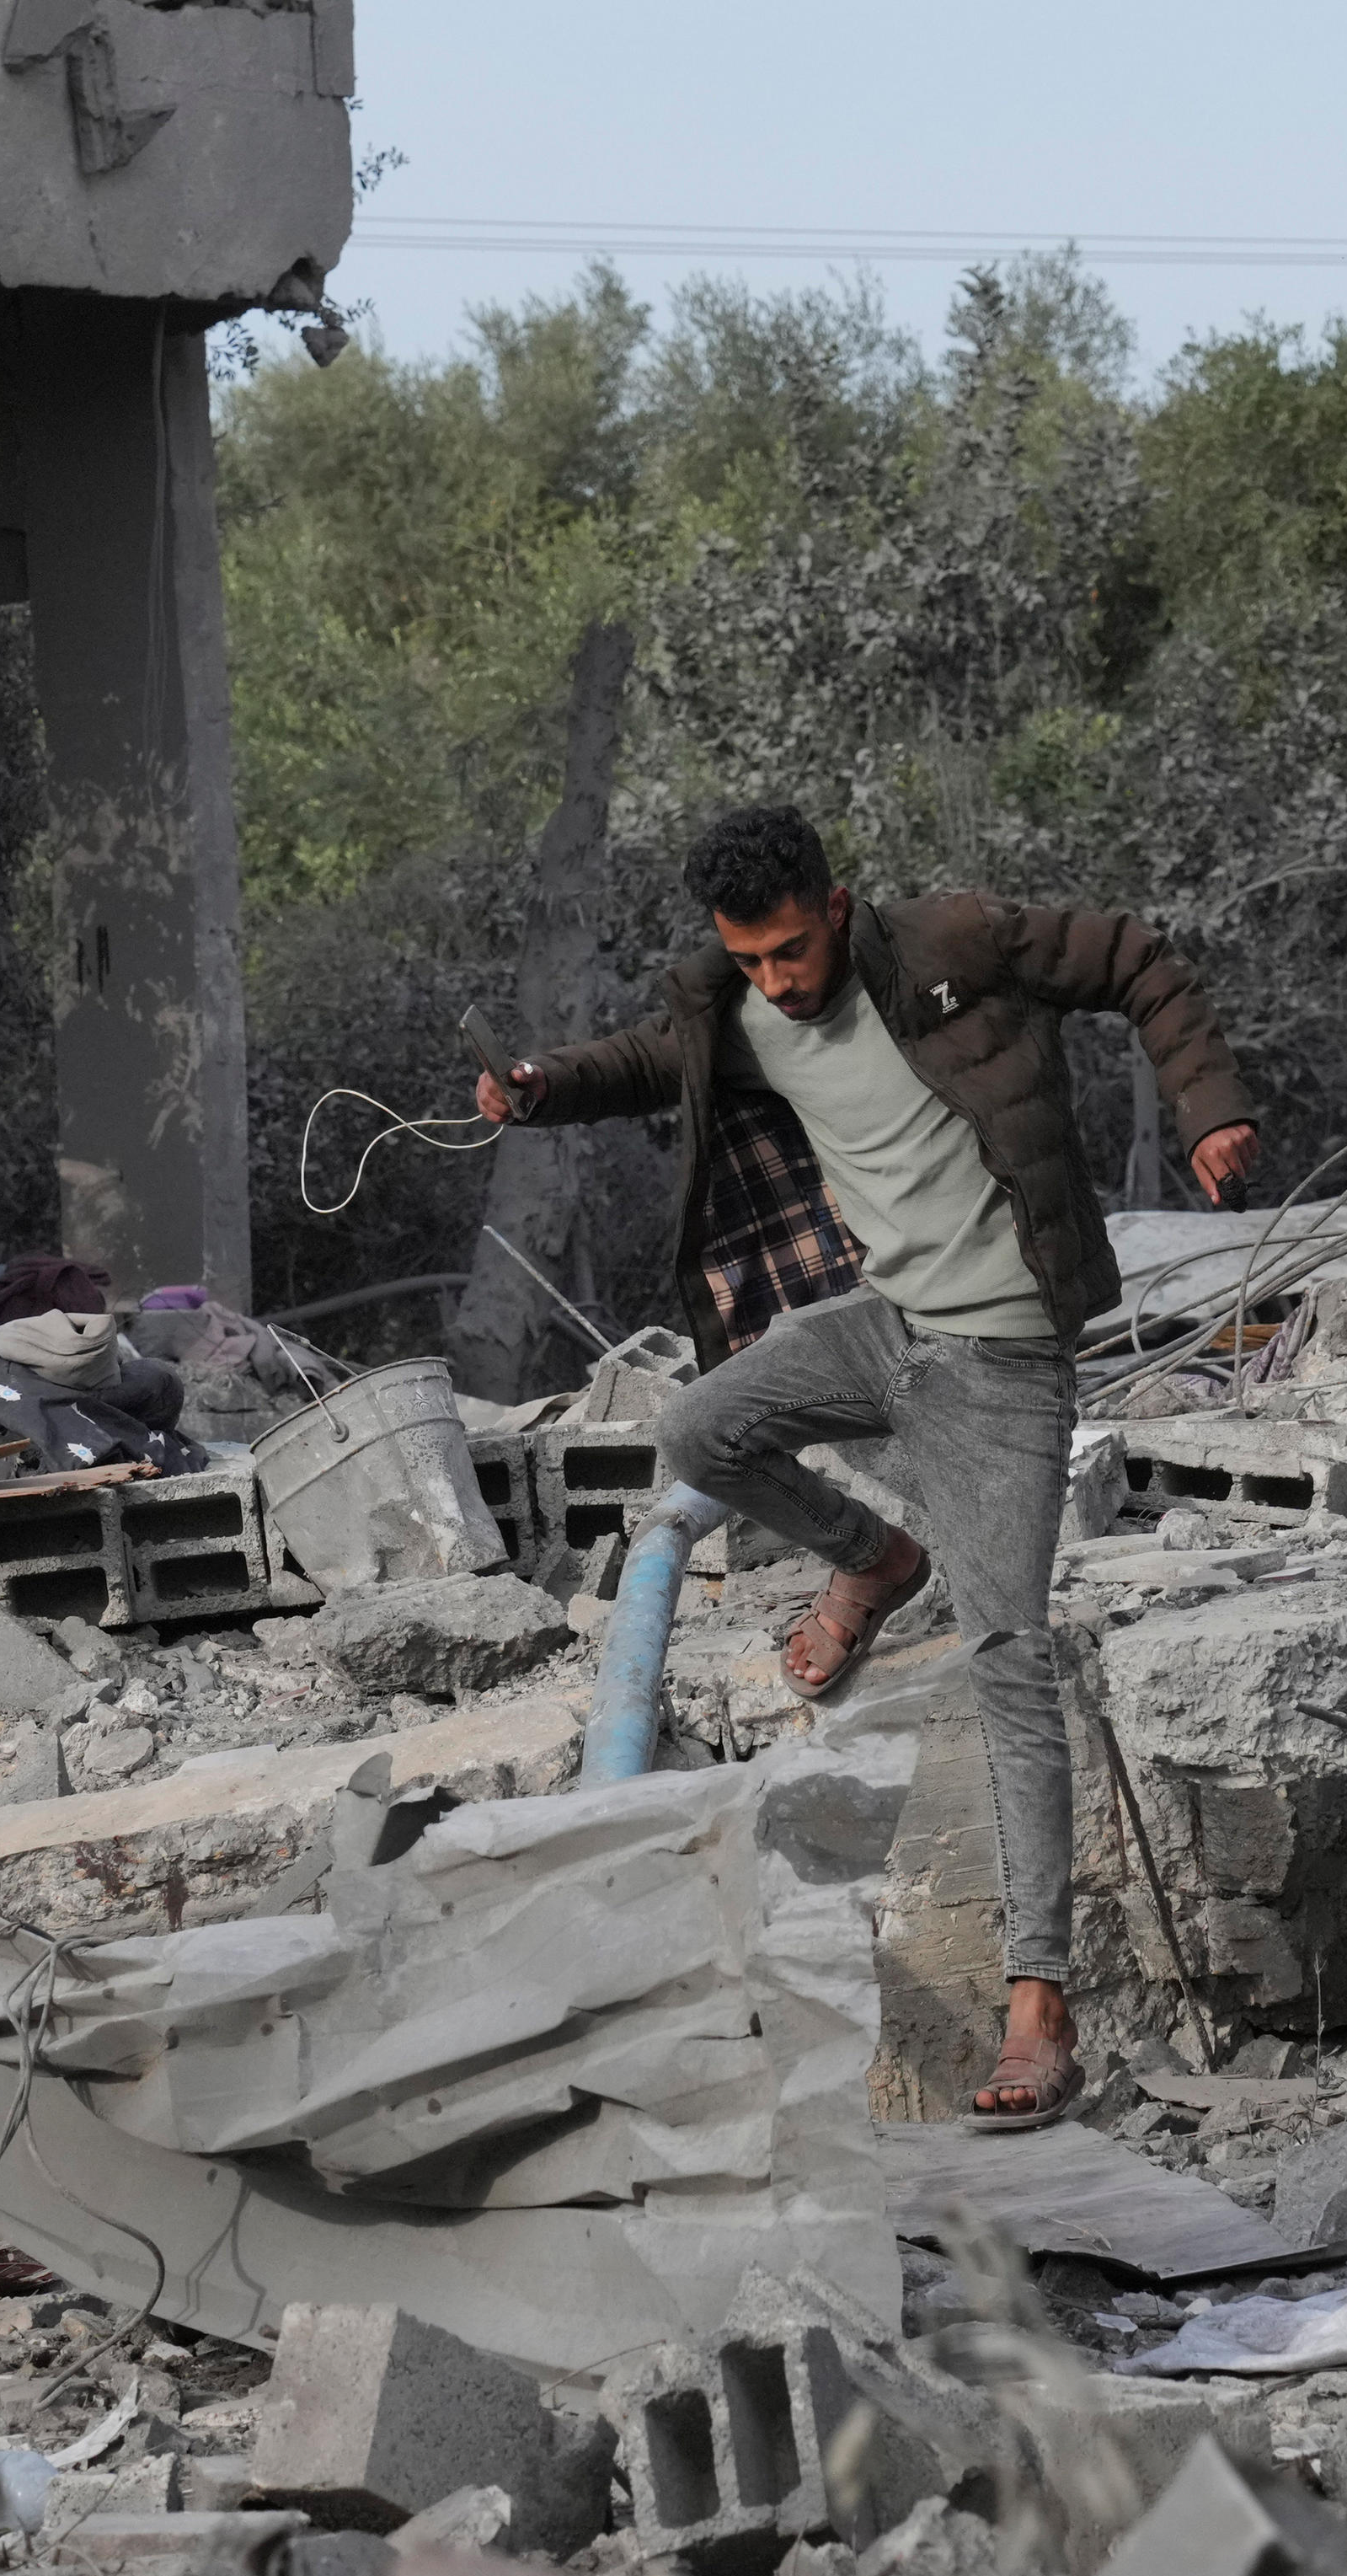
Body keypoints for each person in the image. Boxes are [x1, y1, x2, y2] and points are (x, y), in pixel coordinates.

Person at [475, 804, 1259, 2129]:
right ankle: (873, 1558)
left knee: (1008, 1657)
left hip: (1006, 1364)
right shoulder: (734, 1004)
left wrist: (1211, 1109)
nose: (775, 980)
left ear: (836, 906)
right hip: (883, 1328)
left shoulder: (960, 944)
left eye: (790, 949)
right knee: (694, 1432)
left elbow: (1132, 956)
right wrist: (538, 1088)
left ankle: (1039, 2007)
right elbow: (644, 1061)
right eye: (752, 958)